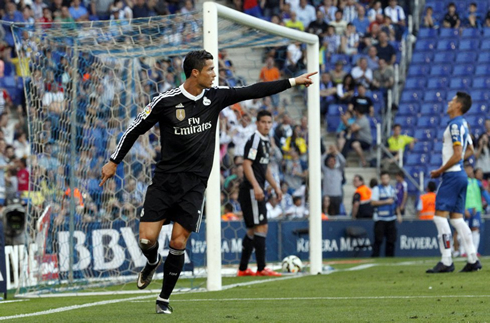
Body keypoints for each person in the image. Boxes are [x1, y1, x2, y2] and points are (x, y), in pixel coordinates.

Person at [100, 50, 316, 314]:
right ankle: (152, 261)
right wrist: (114, 161)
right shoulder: (165, 102)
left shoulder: (216, 96)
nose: (216, 74)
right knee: (146, 240)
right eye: (211, 70)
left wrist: (293, 81)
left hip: (194, 185)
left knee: (179, 243)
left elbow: (254, 90)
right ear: (195, 73)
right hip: (165, 181)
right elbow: (134, 129)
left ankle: (163, 300)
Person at [426, 92, 481, 273]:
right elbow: (470, 150)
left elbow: (458, 154)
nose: (449, 102)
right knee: (457, 219)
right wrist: (456, 163)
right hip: (461, 176)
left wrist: (440, 170)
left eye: (452, 101)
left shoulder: (455, 125)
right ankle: (472, 259)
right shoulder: (463, 124)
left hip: (452, 176)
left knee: (439, 217)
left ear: (458, 106)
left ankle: (447, 260)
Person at [237, 110, 283, 277]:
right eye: (263, 122)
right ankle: (262, 267)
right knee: (261, 226)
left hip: (256, 189)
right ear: (257, 123)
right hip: (251, 190)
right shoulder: (255, 139)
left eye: (269, 122)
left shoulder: (266, 142)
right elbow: (247, 164)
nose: (266, 125)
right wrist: (256, 186)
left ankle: (242, 269)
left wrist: (276, 187)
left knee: (253, 230)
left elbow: (265, 168)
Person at [371, 171, 402, 257]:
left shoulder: (392, 189)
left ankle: (389, 258)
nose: (385, 180)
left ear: (389, 179)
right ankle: (375, 256)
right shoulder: (377, 189)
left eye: (386, 178)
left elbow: (396, 203)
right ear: (381, 179)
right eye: (383, 178)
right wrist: (385, 202)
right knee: (378, 239)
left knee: (391, 240)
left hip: (391, 218)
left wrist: (398, 214)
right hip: (380, 218)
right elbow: (373, 202)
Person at [462, 163, 490, 256]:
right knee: (464, 230)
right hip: (465, 209)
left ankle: (474, 251)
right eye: (467, 169)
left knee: (475, 229)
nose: (469, 171)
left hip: (476, 210)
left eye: (470, 169)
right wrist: (463, 208)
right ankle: (463, 251)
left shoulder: (477, 183)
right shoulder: (462, 181)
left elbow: (485, 195)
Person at [321, 145, 345, 216]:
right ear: (327, 162)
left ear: (335, 162)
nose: (331, 162)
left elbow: (343, 161)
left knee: (336, 213)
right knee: (326, 212)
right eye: (330, 161)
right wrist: (326, 153)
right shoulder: (325, 170)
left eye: (333, 161)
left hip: (337, 195)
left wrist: (337, 152)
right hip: (327, 196)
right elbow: (320, 162)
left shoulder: (339, 170)